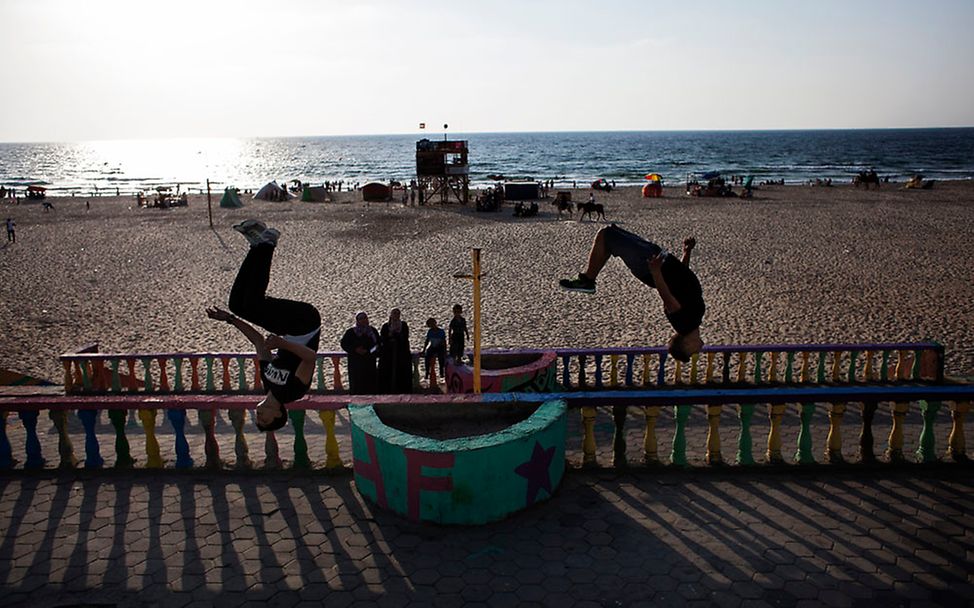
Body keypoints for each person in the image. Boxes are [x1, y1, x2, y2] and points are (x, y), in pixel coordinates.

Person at [206, 220, 321, 432]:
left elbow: (258, 341)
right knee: (252, 304)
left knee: (238, 305)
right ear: (278, 414)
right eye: (265, 420)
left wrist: (230, 319)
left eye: (258, 420)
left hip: (288, 329)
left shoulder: (268, 384)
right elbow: (310, 358)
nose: (259, 416)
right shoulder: (293, 393)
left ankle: (256, 246)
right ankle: (268, 243)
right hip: (306, 323)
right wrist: (282, 344)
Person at [559, 225, 704, 362]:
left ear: (686, 345)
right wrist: (687, 253)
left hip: (650, 266)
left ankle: (588, 280)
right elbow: (681, 281)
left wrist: (656, 272)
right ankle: (589, 279)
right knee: (609, 233)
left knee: (607, 235)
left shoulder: (684, 324)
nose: (698, 350)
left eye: (693, 352)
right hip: (657, 262)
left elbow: (666, 297)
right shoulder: (694, 320)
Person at [341, 311, 380, 394]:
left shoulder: (372, 331)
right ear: (357, 320)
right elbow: (344, 344)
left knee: (370, 385)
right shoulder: (351, 332)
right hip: (355, 363)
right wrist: (355, 350)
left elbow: (377, 345)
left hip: (369, 362)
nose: (363, 320)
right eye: (361, 319)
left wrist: (369, 351)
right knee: (357, 385)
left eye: (365, 318)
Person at [377, 308, 413, 394]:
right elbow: (383, 338)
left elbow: (405, 337)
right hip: (388, 355)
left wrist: (397, 336)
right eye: (394, 313)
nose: (396, 315)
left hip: (401, 354)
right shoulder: (386, 326)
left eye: (398, 314)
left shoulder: (403, 325)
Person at [423, 317, 447, 382]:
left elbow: (444, 342)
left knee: (441, 358)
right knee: (427, 357)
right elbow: (427, 341)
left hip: (440, 346)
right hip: (433, 346)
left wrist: (445, 350)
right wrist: (424, 350)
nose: (432, 326)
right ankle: (427, 372)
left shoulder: (441, 331)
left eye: (433, 324)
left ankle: (441, 373)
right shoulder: (430, 332)